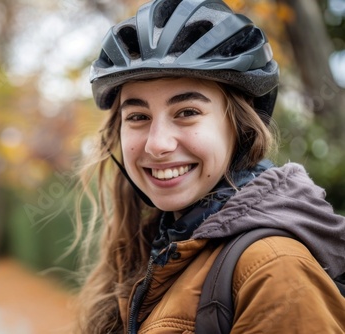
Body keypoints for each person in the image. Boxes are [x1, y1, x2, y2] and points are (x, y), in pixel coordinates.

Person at [73, 0, 345, 333]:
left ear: (240, 128)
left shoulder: (273, 270)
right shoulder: (160, 250)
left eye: (187, 112)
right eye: (138, 117)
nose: (157, 144)